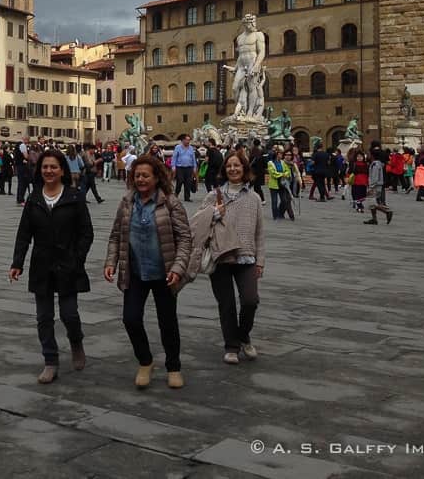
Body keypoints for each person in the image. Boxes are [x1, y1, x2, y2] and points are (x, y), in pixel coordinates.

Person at [104, 155, 191, 389]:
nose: (140, 179)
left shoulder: (170, 202)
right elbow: (115, 235)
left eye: (145, 175)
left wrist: (178, 267)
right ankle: (145, 361)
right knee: (130, 319)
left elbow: (184, 238)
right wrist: (111, 261)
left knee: (168, 323)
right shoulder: (127, 202)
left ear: (156, 178)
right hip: (134, 271)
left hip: (164, 272)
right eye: (137, 175)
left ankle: (173, 367)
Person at [9, 149, 94, 384]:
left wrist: (78, 258)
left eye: (53, 167)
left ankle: (76, 341)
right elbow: (24, 233)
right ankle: (50, 361)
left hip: (69, 264)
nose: (48, 171)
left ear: (62, 170)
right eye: (45, 167)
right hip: (42, 264)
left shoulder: (74, 197)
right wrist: (17, 262)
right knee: (44, 317)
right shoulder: (34, 198)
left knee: (69, 314)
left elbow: (86, 233)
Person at [202, 151, 264, 364]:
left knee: (250, 300)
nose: (233, 169)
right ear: (224, 169)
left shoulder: (254, 198)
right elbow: (199, 223)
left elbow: (260, 233)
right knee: (226, 303)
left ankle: (243, 334)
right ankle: (231, 345)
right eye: (229, 166)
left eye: (237, 165)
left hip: (246, 256)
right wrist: (214, 213)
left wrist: (261, 261)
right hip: (221, 255)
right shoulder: (214, 196)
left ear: (245, 169)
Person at [364, 149, 393, 226]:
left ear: (372, 156)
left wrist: (371, 187)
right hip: (377, 186)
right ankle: (374, 219)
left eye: (369, 154)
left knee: (372, 203)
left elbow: (375, 177)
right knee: (372, 203)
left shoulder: (375, 165)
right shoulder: (377, 164)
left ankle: (387, 211)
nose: (368, 156)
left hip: (375, 186)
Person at [266, 147, 292, 221]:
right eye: (280, 154)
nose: (282, 155)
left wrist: (285, 174)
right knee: (274, 201)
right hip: (274, 184)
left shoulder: (283, 162)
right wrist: (282, 175)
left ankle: (280, 213)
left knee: (284, 200)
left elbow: (288, 171)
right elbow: (273, 173)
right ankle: (275, 215)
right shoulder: (270, 163)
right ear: (277, 154)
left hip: (282, 184)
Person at [171, 134, 197, 202]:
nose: (188, 141)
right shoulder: (178, 147)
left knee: (188, 182)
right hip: (180, 167)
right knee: (180, 181)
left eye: (189, 140)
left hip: (189, 167)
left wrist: (194, 167)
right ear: (183, 140)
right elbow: (174, 157)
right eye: (187, 140)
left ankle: (187, 197)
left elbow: (193, 158)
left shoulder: (191, 148)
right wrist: (173, 166)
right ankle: (176, 194)